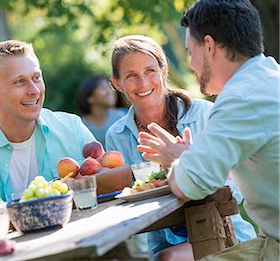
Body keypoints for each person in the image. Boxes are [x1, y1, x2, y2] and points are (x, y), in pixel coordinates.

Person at [137, 0, 279, 260]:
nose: (190, 64)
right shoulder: (267, 76)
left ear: (210, 46)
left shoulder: (241, 99)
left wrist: (177, 161)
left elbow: (189, 185)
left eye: (191, 52)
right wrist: (190, 158)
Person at [106, 35, 256, 260]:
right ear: (117, 83)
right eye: (131, 76)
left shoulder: (203, 114)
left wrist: (190, 166)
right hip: (164, 242)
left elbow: (235, 190)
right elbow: (125, 201)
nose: (143, 83)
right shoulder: (117, 136)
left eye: (150, 71)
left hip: (223, 233)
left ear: (163, 72)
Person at [0, 40, 95, 201]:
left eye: (36, 77)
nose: (34, 90)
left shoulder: (72, 127)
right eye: (19, 82)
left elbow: (111, 175)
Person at [76, 75, 126, 146]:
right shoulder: (81, 127)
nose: (110, 91)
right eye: (103, 88)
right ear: (89, 98)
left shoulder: (122, 117)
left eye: (110, 87)